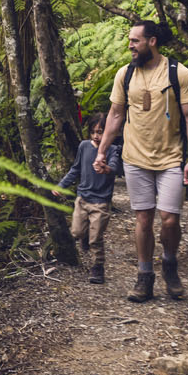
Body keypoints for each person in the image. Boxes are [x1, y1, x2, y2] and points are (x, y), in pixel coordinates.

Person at [94, 20, 188, 303]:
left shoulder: (179, 73)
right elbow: (115, 115)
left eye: (135, 41)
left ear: (152, 41)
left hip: (171, 159)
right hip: (135, 158)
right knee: (143, 219)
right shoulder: (125, 74)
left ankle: (169, 262)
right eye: (130, 40)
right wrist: (102, 150)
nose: (130, 46)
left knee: (169, 219)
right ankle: (144, 275)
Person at [54, 113, 123, 284]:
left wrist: (105, 168)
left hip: (101, 202)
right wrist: (61, 185)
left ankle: (97, 268)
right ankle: (84, 237)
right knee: (77, 232)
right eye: (93, 132)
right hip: (83, 198)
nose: (96, 136)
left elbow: (115, 168)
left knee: (96, 239)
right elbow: (75, 169)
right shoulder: (84, 146)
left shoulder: (113, 150)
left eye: (100, 132)